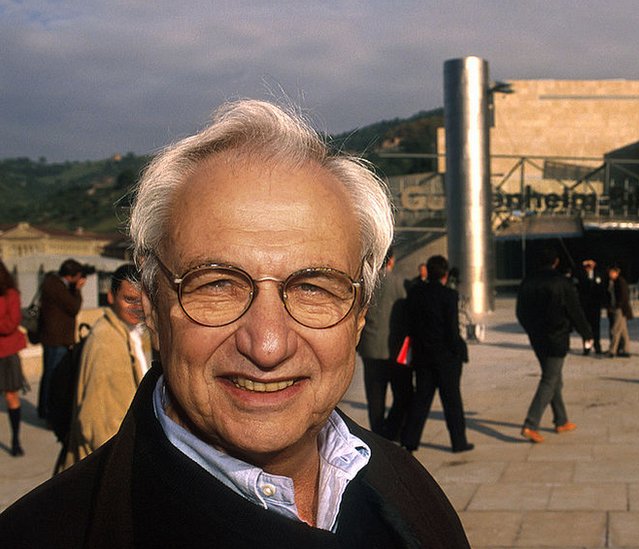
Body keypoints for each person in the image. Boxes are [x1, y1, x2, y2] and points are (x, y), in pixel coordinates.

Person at [0, 99, 469, 548]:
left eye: (313, 287)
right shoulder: (42, 534)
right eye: (217, 284)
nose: (267, 345)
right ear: (153, 309)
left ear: (359, 315)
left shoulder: (410, 491)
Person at [61, 264, 152, 469]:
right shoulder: (107, 343)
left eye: (142, 300)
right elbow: (97, 424)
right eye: (129, 299)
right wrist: (119, 470)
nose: (137, 307)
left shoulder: (127, 332)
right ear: (111, 297)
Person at [516, 249, 593, 443]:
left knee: (554, 379)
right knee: (549, 380)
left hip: (537, 337)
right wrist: (587, 333)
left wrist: (531, 329)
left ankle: (561, 420)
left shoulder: (528, 281)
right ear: (556, 262)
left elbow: (520, 311)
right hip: (557, 337)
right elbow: (575, 311)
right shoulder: (562, 282)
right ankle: (530, 424)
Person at [400, 255, 472, 454]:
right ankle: (458, 442)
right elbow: (451, 329)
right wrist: (459, 350)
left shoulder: (414, 293)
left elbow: (410, 324)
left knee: (421, 399)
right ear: (445, 274)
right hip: (446, 357)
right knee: (452, 401)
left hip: (423, 356)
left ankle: (410, 440)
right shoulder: (449, 295)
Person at [356, 251, 412, 442]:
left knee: (375, 397)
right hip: (396, 349)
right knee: (402, 394)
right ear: (392, 261)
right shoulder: (400, 282)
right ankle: (393, 430)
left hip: (371, 348)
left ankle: (379, 435)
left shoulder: (365, 285)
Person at [37, 259, 91, 419]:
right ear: (71, 276)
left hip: (53, 338)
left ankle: (44, 410)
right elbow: (73, 307)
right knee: (54, 377)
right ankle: (48, 411)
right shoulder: (57, 287)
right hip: (57, 340)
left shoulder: (52, 282)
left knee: (49, 375)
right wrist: (78, 289)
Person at [0, 260, 28, 457]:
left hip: (7, 353)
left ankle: (15, 439)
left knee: (11, 396)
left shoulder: (11, 294)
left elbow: (11, 324)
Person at [577, 259, 604, 355]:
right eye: (587, 265)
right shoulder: (581, 275)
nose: (589, 267)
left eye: (590, 265)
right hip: (585, 306)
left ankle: (597, 346)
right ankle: (587, 347)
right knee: (586, 327)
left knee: (596, 327)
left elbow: (602, 288)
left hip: (595, 305)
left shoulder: (598, 275)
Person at [605, 265, 633, 358]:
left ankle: (613, 350)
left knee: (616, 329)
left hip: (620, 309)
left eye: (611, 273)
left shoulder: (620, 282)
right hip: (619, 308)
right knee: (623, 330)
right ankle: (626, 349)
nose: (610, 274)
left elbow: (623, 296)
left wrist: (617, 305)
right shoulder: (614, 282)